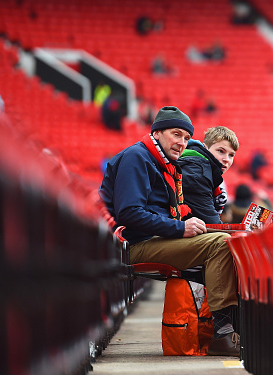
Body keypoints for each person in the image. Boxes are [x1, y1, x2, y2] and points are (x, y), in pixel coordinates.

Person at [99, 106, 240, 356]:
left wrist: (187, 223)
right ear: (158, 132)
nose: (182, 143)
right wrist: (180, 227)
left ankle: (211, 329)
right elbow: (129, 213)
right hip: (136, 244)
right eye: (176, 135)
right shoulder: (137, 157)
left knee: (224, 240)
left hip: (154, 239)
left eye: (186, 138)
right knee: (221, 244)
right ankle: (223, 332)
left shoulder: (161, 162)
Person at [178, 126, 239, 224]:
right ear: (205, 148)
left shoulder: (201, 169)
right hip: (161, 235)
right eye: (221, 151)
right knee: (223, 238)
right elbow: (211, 222)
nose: (227, 159)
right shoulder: (197, 173)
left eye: (231, 155)